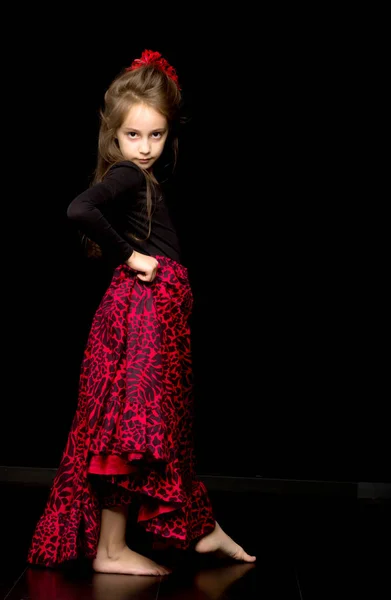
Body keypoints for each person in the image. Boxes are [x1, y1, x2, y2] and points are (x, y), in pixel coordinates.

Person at [27, 49, 256, 576]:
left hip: (153, 310)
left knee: (153, 424)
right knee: (134, 426)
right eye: (134, 136)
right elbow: (78, 209)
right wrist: (132, 257)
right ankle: (115, 549)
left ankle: (198, 529)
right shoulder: (127, 176)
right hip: (143, 310)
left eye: (156, 136)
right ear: (115, 135)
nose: (145, 148)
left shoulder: (142, 179)